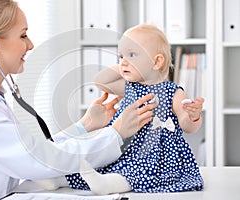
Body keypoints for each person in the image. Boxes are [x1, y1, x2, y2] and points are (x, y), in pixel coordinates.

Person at [0, 1, 158, 199]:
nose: (31, 44)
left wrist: (85, 126)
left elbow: (34, 152)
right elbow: (41, 160)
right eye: (23, 35)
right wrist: (116, 133)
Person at [38, 24, 205, 194]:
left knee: (135, 171)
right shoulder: (129, 87)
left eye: (132, 54)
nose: (124, 61)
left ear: (156, 61)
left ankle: (107, 186)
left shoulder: (172, 91)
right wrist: (125, 64)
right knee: (103, 165)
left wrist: (192, 116)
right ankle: (57, 179)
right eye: (120, 56)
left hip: (156, 155)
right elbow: (100, 81)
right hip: (127, 147)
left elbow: (187, 126)